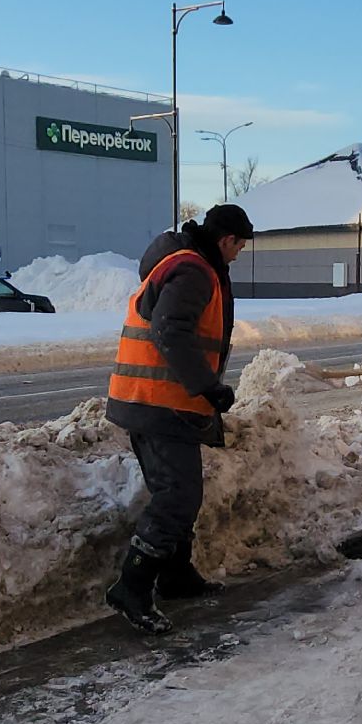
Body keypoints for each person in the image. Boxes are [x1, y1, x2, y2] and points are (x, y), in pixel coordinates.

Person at [103, 203, 255, 634]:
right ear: (226, 240)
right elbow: (170, 329)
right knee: (178, 497)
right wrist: (205, 385)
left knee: (178, 492)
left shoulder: (185, 261)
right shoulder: (193, 270)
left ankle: (176, 576)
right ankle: (131, 586)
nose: (238, 253)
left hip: (154, 400)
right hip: (158, 402)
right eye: (239, 245)